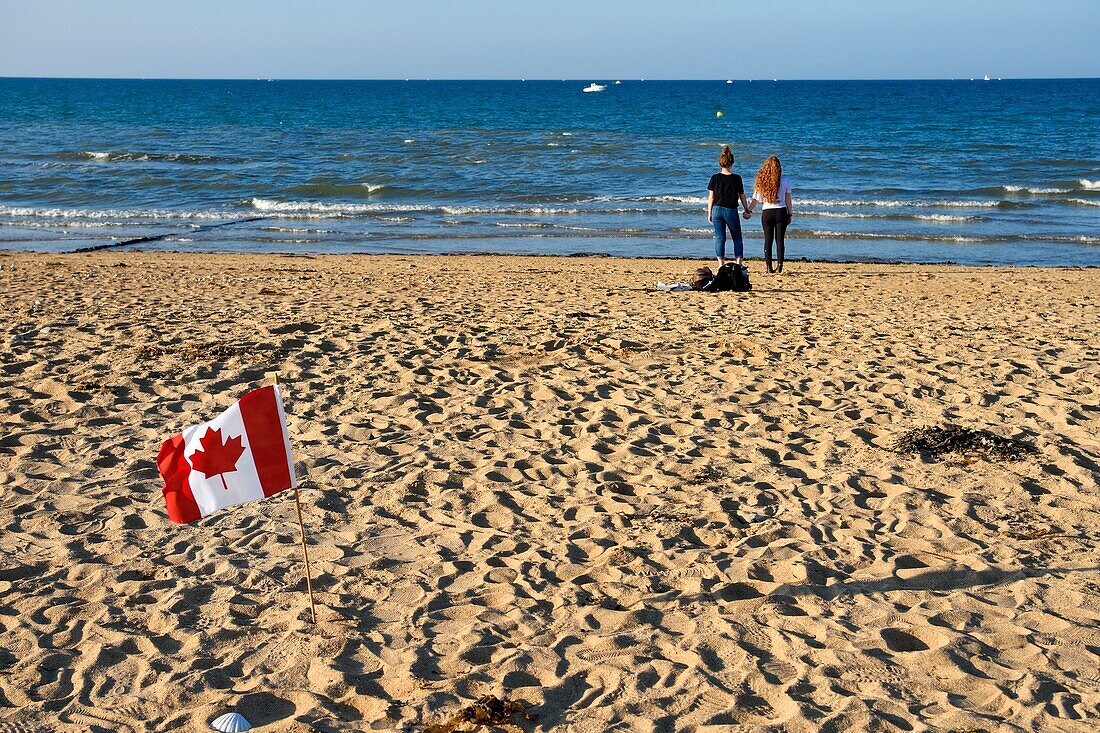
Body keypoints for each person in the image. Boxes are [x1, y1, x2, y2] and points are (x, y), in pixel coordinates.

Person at [744, 156, 793, 273]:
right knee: (780, 240)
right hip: (781, 212)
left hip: (767, 212)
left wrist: (748, 210)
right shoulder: (785, 180)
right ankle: (780, 266)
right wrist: (790, 213)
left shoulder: (762, 181)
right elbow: (788, 200)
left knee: (768, 240)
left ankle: (768, 267)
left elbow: (756, 200)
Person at [706, 146, 752, 269]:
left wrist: (709, 212)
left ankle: (721, 264)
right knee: (737, 237)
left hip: (717, 210)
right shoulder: (736, 178)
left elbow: (711, 197)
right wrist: (746, 208)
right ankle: (739, 263)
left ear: (721, 163)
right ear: (732, 163)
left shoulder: (715, 178)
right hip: (730, 210)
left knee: (720, 237)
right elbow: (742, 196)